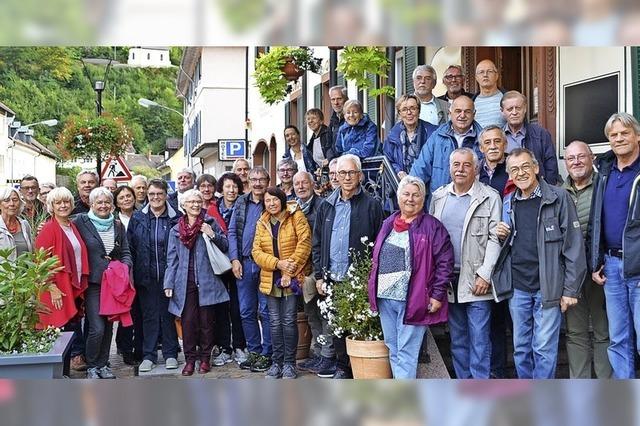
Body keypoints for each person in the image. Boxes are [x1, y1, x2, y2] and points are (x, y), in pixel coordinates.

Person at [492, 148, 585, 379]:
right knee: (521, 349)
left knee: (543, 349)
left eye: (525, 167)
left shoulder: (557, 197)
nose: (520, 173)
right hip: (518, 287)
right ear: (510, 175)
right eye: (514, 169)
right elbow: (509, 242)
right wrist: (500, 234)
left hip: (548, 287)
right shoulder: (508, 202)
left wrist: (570, 289)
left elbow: (573, 246)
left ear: (536, 168)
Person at [369, 175, 454, 378]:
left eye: (416, 195)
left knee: (407, 352)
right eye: (406, 194)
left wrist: (436, 295)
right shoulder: (388, 222)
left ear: (423, 199)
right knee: (394, 349)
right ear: (398, 198)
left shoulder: (433, 227)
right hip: (386, 297)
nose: (410, 199)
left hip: (414, 299)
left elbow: (445, 262)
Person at [430, 148, 501, 378]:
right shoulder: (439, 197)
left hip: (477, 281)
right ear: (450, 168)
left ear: (476, 168)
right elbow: (432, 238)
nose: (460, 169)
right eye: (456, 165)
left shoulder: (489, 197)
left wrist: (485, 274)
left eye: (466, 165)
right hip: (450, 281)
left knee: (480, 341)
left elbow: (495, 238)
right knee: (458, 340)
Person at [313, 154, 384, 378]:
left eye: (351, 172)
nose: (346, 177)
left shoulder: (372, 205)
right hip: (332, 275)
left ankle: (361, 369)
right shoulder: (326, 205)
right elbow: (317, 243)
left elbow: (379, 244)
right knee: (337, 325)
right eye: (342, 173)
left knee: (358, 324)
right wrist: (319, 276)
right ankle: (342, 367)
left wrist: (370, 277)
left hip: (359, 279)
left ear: (360, 175)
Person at [589, 112, 640, 379]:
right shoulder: (604, 171)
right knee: (618, 339)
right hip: (611, 265)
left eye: (624, 133)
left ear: (637, 136)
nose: (619, 139)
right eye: (614, 135)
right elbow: (596, 219)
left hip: (639, 266)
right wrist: (595, 260)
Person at [163, 189, 230, 376]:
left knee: (207, 323)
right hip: (184, 283)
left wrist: (212, 234)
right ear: (183, 205)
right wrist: (168, 283)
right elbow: (172, 260)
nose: (194, 205)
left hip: (208, 281)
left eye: (198, 201)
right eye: (190, 202)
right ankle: (190, 359)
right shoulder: (176, 229)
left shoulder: (210, 222)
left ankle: (205, 358)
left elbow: (225, 246)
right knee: (188, 323)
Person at [252, 187, 312, 379]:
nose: (271, 204)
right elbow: (257, 252)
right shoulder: (262, 222)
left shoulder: (296, 216)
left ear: (282, 200)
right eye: (267, 201)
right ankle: (277, 362)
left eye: (275, 200)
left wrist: (288, 270)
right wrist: (278, 264)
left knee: (288, 321)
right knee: (274, 323)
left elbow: (305, 244)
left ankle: (289, 364)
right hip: (270, 280)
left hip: (291, 279)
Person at [563, 141, 611, 378]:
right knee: (576, 333)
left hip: (600, 271)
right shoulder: (558, 192)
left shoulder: (604, 185)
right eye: (571, 158)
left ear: (592, 158)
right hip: (572, 275)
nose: (576, 162)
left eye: (581, 156)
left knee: (604, 331)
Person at [74, 187, 133, 379]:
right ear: (91, 204)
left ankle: (102, 364)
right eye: (99, 202)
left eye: (107, 202)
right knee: (97, 327)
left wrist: (124, 268)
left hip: (112, 284)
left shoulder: (117, 225)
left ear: (112, 204)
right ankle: (92, 365)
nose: (103, 205)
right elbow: (63, 228)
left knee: (108, 326)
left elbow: (125, 252)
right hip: (92, 283)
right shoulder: (81, 222)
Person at [128, 179, 182, 373]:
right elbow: (130, 248)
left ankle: (170, 354)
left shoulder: (177, 217)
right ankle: (148, 355)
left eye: (159, 193)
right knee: (149, 316)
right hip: (146, 276)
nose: (155, 198)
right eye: (152, 194)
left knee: (169, 315)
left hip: (170, 276)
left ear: (166, 194)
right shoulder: (138, 218)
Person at [35, 187, 89, 370]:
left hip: (70, 288)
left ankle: (65, 376)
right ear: (51, 206)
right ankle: (59, 376)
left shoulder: (72, 226)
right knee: (60, 337)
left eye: (66, 201)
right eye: (58, 202)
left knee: (69, 335)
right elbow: (40, 264)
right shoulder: (49, 229)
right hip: (56, 291)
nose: (63, 205)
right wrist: (52, 288)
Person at [477, 124, 513, 378]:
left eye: (497, 141)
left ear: (505, 145)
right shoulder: (474, 172)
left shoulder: (512, 172)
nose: (492, 146)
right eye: (487, 142)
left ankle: (499, 372)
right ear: (481, 147)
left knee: (502, 318)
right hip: (480, 252)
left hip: (510, 251)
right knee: (484, 319)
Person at [228, 166, 273, 372]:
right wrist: (234, 259)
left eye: (261, 179)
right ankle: (254, 352)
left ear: (267, 181)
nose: (257, 183)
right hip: (244, 264)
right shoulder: (240, 202)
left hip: (266, 265)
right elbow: (231, 232)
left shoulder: (273, 202)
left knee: (265, 311)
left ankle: (267, 354)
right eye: (253, 179)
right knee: (246, 311)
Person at [291, 171, 330, 374]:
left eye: (304, 182)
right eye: (297, 184)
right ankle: (317, 353)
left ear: (312, 184)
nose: (300, 186)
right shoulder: (291, 207)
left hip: (318, 268)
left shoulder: (323, 205)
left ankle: (326, 355)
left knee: (323, 313)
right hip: (301, 270)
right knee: (311, 313)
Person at [410, 95, 483, 201]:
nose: (462, 116)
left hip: (473, 202)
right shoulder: (437, 136)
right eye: (458, 111)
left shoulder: (483, 138)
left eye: (467, 112)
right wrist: (411, 195)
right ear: (450, 113)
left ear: (474, 114)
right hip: (440, 201)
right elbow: (420, 169)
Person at [214, 172, 248, 365]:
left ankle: (239, 346)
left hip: (239, 262)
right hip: (218, 265)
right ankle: (224, 347)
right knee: (221, 308)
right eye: (227, 186)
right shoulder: (213, 209)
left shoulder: (244, 206)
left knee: (238, 307)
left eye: (235, 186)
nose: (231, 190)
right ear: (222, 188)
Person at [500, 91, 559, 184]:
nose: (514, 112)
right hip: (507, 192)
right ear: (502, 111)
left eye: (518, 108)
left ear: (525, 109)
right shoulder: (498, 138)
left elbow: (551, 167)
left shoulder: (541, 134)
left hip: (538, 190)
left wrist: (547, 192)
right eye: (510, 109)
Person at [112, 184, 141, 364]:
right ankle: (124, 346)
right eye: (121, 197)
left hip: (140, 270)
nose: (126, 200)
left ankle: (136, 346)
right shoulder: (113, 221)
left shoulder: (141, 217)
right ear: (116, 202)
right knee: (125, 309)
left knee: (137, 310)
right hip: (121, 271)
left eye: (129, 196)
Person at [384, 94, 438, 180]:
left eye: (413, 108)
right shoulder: (392, 135)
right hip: (402, 185)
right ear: (399, 113)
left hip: (427, 183)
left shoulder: (433, 132)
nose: (409, 113)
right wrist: (398, 171)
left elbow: (437, 161)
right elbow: (387, 160)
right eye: (404, 110)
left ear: (419, 111)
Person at [0, 187, 33, 260]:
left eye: (15, 200)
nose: (12, 204)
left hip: (24, 270)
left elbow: (32, 252)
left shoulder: (25, 225)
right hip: (4, 271)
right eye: (6, 200)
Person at [473, 59, 506, 128]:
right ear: (476, 77)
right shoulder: (471, 102)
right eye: (481, 72)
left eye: (489, 71)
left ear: (496, 76)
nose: (485, 75)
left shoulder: (507, 98)